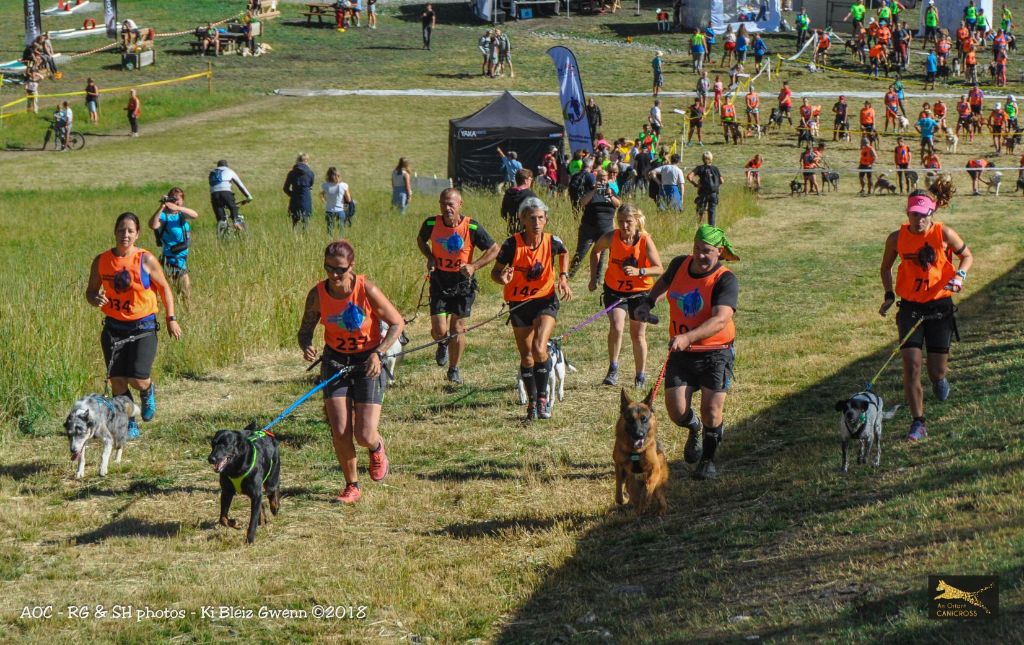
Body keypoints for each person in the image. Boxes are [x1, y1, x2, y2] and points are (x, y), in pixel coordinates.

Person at [298, 240, 404, 503]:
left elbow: (396, 323)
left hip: (367, 362)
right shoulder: (318, 293)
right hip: (335, 362)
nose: (334, 275)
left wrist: (378, 352)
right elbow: (305, 330)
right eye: (329, 268)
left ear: (352, 266)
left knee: (364, 433)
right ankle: (352, 485)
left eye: (340, 270)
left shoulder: (366, 289)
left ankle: (376, 448)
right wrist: (307, 345)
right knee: (340, 430)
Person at [878, 178, 972, 441]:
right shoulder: (897, 238)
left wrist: (960, 276)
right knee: (911, 364)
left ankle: (940, 379)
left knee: (936, 371)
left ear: (932, 213)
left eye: (923, 215)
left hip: (940, 306)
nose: (918, 220)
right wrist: (888, 294)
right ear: (907, 213)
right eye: (913, 215)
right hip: (910, 307)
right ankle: (918, 422)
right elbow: (885, 267)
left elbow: (967, 255)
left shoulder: (944, 234)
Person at [647, 225, 739, 480]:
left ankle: (708, 461)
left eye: (706, 251)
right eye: (696, 249)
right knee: (676, 411)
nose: (699, 256)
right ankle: (694, 427)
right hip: (682, 353)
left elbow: (720, 320)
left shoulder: (725, 280)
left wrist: (687, 337)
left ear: (719, 252)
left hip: (715, 352)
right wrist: (647, 301)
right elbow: (663, 283)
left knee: (712, 409)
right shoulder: (680, 264)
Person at [86, 212, 183, 439]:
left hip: (143, 327)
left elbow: (165, 289)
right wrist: (94, 298)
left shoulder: (145, 259)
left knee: (137, 379)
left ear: (137, 234)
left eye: (130, 231)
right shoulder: (102, 261)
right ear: (115, 232)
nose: (125, 235)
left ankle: (148, 390)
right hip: (113, 328)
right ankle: (130, 423)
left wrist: (171, 318)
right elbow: (90, 291)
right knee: (117, 381)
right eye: (121, 230)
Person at [490, 197, 573, 421]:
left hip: (545, 301)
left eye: (540, 218)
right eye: (532, 218)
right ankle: (533, 401)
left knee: (539, 348)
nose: (537, 222)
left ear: (546, 219)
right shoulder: (511, 245)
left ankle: (544, 397)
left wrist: (563, 277)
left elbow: (564, 252)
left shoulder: (552, 241)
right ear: (523, 219)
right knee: (526, 357)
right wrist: (503, 277)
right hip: (519, 304)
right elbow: (495, 273)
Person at [416, 189, 499, 384]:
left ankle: (454, 369)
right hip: (439, 281)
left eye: (451, 204)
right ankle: (442, 343)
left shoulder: (471, 227)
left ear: (460, 205)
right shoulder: (430, 223)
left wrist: (474, 266)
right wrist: (430, 257)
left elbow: (494, 248)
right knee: (438, 329)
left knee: (458, 328)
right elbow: (420, 240)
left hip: (463, 283)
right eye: (444, 204)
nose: (447, 208)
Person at [588, 204, 663, 387]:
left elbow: (659, 269)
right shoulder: (611, 237)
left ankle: (640, 376)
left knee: (638, 334)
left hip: (639, 293)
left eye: (628, 222)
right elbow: (595, 251)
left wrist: (639, 271)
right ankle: (613, 368)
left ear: (637, 221)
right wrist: (593, 277)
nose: (624, 226)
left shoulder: (645, 240)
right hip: (615, 290)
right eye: (620, 222)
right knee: (617, 325)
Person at [149, 187, 199, 304]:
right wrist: (162, 207)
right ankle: (186, 313)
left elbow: (195, 215)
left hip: (182, 259)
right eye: (173, 199)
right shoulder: (164, 216)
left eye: (178, 199)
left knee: (182, 294)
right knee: (186, 294)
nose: (175, 202)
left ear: (182, 200)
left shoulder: (181, 214)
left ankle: (182, 313)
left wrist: (178, 208)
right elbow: (153, 225)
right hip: (171, 260)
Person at [570, 168, 621, 276]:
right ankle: (571, 274)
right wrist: (594, 191)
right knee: (581, 252)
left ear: (607, 180)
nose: (602, 182)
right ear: (596, 179)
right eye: (600, 179)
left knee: (601, 254)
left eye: (604, 180)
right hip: (588, 228)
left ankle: (597, 277)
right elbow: (582, 203)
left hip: (605, 228)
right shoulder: (591, 191)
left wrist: (610, 195)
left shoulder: (611, 191)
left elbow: (618, 204)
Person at [208, 160, 253, 237]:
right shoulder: (229, 171)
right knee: (233, 208)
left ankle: (221, 233)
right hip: (226, 193)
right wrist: (248, 196)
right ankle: (236, 221)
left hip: (214, 195)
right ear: (227, 165)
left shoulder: (212, 173)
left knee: (221, 218)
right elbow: (240, 185)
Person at [687, 151, 723, 226]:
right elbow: (722, 181)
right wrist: (715, 185)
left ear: (703, 159)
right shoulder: (715, 168)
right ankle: (712, 230)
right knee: (712, 212)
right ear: (711, 159)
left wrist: (696, 184)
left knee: (700, 211)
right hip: (713, 193)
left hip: (703, 192)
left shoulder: (699, 168)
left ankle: (699, 228)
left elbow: (689, 177)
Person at [501, 168, 537, 236]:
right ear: (526, 180)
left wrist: (512, 222)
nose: (531, 181)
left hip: (511, 230)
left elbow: (503, 213)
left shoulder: (508, 194)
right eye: (530, 179)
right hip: (527, 232)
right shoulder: (530, 195)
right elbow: (537, 213)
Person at [283, 153, 315, 230]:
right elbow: (311, 184)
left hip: (294, 201)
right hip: (306, 200)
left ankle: (295, 239)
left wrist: (292, 194)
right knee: (306, 225)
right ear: (306, 161)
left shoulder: (291, 173)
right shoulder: (310, 173)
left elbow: (285, 188)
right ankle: (305, 240)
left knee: (295, 225)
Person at [322, 166, 353, 236]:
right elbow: (349, 199)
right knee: (341, 232)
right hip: (340, 210)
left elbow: (323, 195)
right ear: (338, 175)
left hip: (329, 210)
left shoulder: (325, 185)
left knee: (330, 232)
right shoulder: (344, 185)